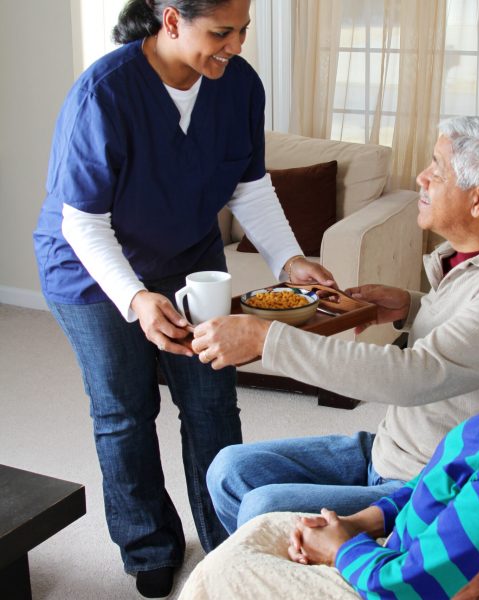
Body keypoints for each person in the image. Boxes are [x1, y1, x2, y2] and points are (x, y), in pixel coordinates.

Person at [32, 0, 333, 597]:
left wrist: (288, 258)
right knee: (123, 411)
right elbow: (84, 224)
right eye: (221, 32)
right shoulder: (105, 95)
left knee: (211, 402)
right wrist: (137, 298)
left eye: (243, 30)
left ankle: (228, 542)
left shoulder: (238, 85)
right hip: (93, 271)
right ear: (170, 21)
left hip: (190, 261)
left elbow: (249, 187)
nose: (237, 45)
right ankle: (148, 545)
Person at [178, 248, 479, 600]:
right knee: (231, 470)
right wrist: (366, 520)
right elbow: (446, 476)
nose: (423, 178)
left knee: (231, 557)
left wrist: (343, 547)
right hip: (391, 476)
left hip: (388, 571)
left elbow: (405, 584)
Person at [192, 115, 479, 534]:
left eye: (437, 169)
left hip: (426, 483)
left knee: (263, 509)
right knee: (229, 469)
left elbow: (413, 376)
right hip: (389, 449)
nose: (421, 177)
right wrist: (411, 306)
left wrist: (268, 339)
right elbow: (466, 343)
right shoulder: (472, 255)